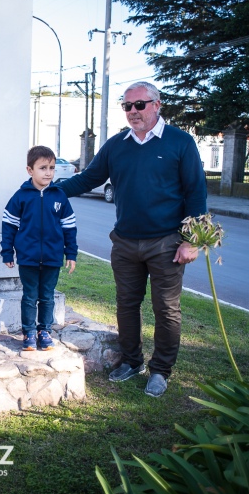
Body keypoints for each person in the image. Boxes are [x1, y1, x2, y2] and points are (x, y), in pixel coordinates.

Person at [56, 81, 206, 398]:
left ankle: (161, 371)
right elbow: (88, 178)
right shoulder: (116, 145)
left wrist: (191, 241)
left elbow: (196, 193)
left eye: (140, 104)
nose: (133, 111)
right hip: (125, 241)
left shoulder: (180, 142)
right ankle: (132, 361)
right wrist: (47, 189)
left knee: (166, 309)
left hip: (166, 242)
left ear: (157, 104)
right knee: (126, 305)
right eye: (127, 106)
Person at [1, 146, 78, 351]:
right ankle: (29, 333)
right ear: (30, 170)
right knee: (30, 296)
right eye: (43, 168)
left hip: (53, 257)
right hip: (28, 258)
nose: (48, 172)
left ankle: (44, 331)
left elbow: (69, 226)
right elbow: (8, 225)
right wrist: (7, 251)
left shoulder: (59, 197)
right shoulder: (21, 197)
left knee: (47, 296)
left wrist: (71, 253)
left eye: (52, 168)